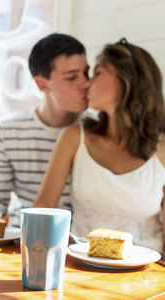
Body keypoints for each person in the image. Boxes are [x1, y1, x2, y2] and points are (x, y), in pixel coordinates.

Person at [32, 38, 165, 252]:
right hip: (81, 265)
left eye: (97, 73)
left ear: (126, 80)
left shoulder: (162, 147)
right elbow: (42, 209)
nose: (87, 83)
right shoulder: (74, 137)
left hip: (148, 273)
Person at [0, 33, 89, 226]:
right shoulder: (8, 133)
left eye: (87, 73)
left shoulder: (97, 130)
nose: (86, 83)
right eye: (72, 77)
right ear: (42, 84)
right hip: (24, 236)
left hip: (81, 243)